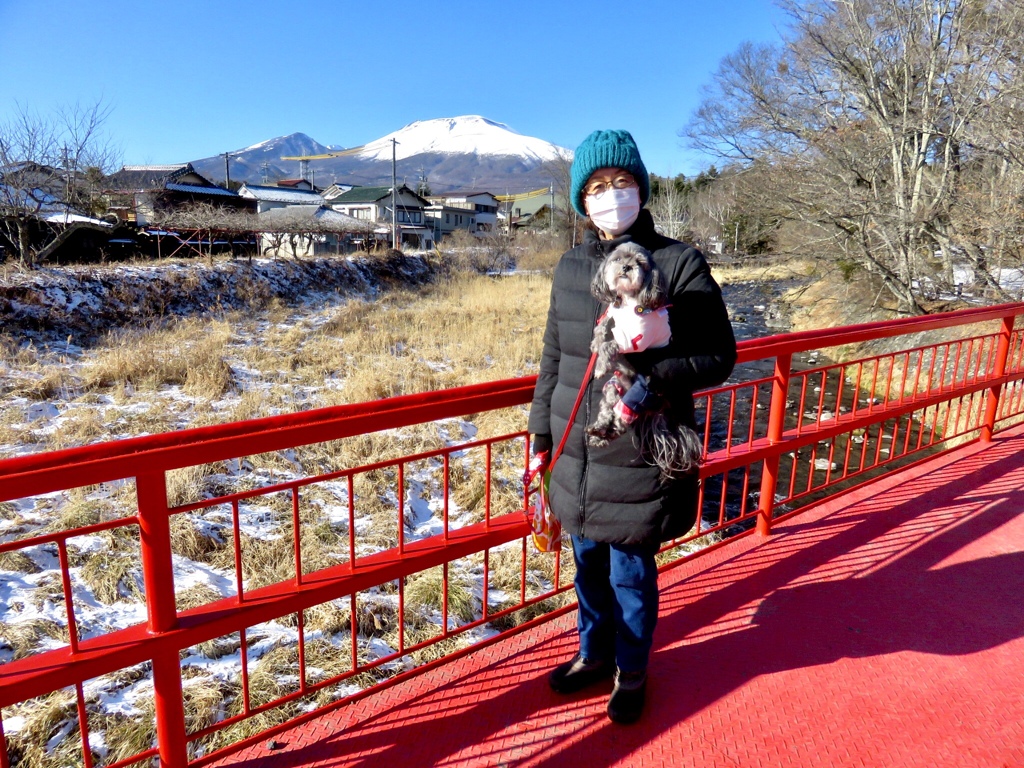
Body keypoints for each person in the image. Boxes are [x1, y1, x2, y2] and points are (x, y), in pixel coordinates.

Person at [528, 129, 736, 724]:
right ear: (581, 200)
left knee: (630, 574)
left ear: (641, 190)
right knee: (587, 567)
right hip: (576, 449)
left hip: (640, 447)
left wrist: (653, 377)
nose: (610, 195)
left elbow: (719, 355)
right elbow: (554, 357)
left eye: (621, 182)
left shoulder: (678, 262)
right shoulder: (570, 267)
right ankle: (593, 655)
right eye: (596, 187)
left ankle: (633, 670)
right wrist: (540, 435)